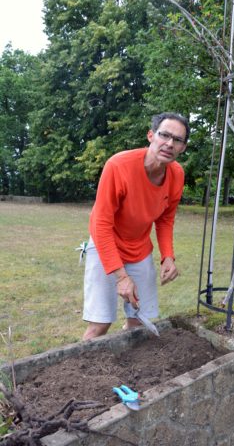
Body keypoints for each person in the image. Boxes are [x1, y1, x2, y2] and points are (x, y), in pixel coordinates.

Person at [82, 112, 189, 340]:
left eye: (177, 140)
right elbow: (100, 224)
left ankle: (129, 370)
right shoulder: (119, 166)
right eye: (164, 135)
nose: (169, 143)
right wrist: (121, 277)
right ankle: (76, 372)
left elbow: (165, 219)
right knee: (100, 324)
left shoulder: (177, 175)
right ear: (151, 135)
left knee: (139, 321)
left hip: (139, 250)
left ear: (183, 147)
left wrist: (168, 256)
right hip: (105, 247)